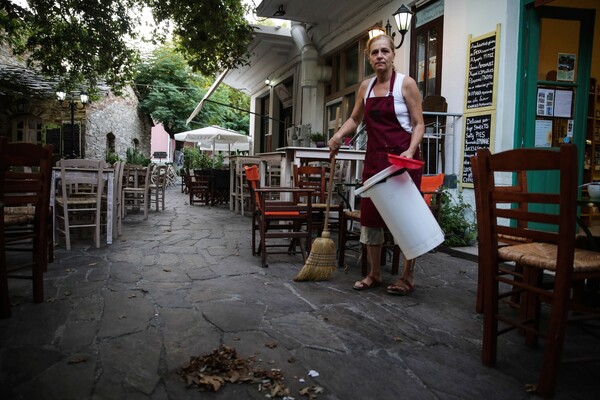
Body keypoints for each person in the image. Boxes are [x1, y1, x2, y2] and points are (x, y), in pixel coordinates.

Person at [328, 34, 425, 296]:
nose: (380, 56)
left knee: (406, 221)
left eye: (385, 51)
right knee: (371, 220)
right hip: (374, 162)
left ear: (393, 55)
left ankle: (407, 276)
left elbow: (419, 124)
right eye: (375, 53)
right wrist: (339, 135)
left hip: (401, 162)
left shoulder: (407, 85)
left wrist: (410, 149)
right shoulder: (365, 87)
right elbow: (354, 119)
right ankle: (374, 273)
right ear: (369, 58)